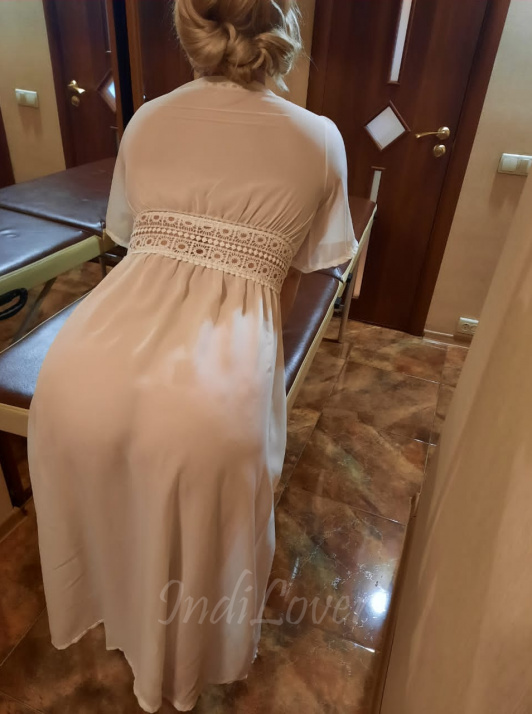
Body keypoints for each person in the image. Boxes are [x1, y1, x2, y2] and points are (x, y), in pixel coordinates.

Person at [28, 0, 357, 710]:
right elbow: (296, 275)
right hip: (216, 387)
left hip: (82, 368)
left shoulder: (146, 121)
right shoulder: (319, 140)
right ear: (283, 25)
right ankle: (171, 678)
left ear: (189, 27)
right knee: (192, 548)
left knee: (125, 513)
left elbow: (129, 242)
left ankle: (125, 627)